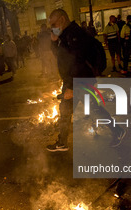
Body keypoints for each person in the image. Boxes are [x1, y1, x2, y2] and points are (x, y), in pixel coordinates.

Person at [46, 9, 126, 152]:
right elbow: (61, 56)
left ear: (62, 20)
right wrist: (54, 42)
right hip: (74, 81)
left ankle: (118, 131)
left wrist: (70, 86)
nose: (52, 27)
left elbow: (77, 61)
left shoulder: (75, 34)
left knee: (93, 110)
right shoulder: (65, 35)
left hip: (80, 81)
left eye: (53, 23)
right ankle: (62, 142)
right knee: (66, 111)